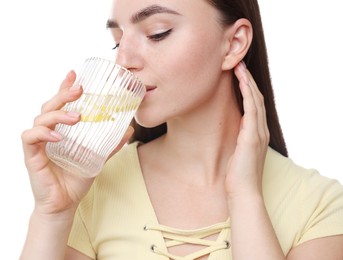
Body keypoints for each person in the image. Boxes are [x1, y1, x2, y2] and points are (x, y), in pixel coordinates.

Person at [20, 0, 343, 259]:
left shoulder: (320, 206)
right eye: (117, 41)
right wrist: (52, 214)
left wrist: (246, 196)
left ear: (234, 43)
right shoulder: (92, 190)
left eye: (157, 33)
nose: (124, 60)